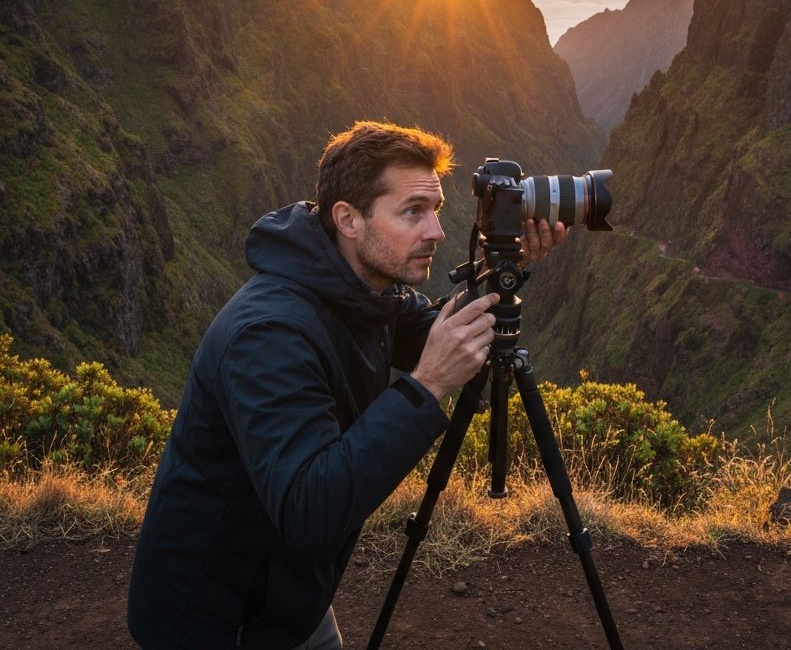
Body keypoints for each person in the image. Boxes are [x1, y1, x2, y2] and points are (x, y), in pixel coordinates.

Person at [127, 121, 564, 649]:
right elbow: (309, 511)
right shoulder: (270, 334)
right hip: (218, 621)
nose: (437, 232)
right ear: (348, 219)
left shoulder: (365, 289)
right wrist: (425, 387)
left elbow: (445, 335)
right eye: (412, 212)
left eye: (437, 211)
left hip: (288, 599)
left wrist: (505, 269)